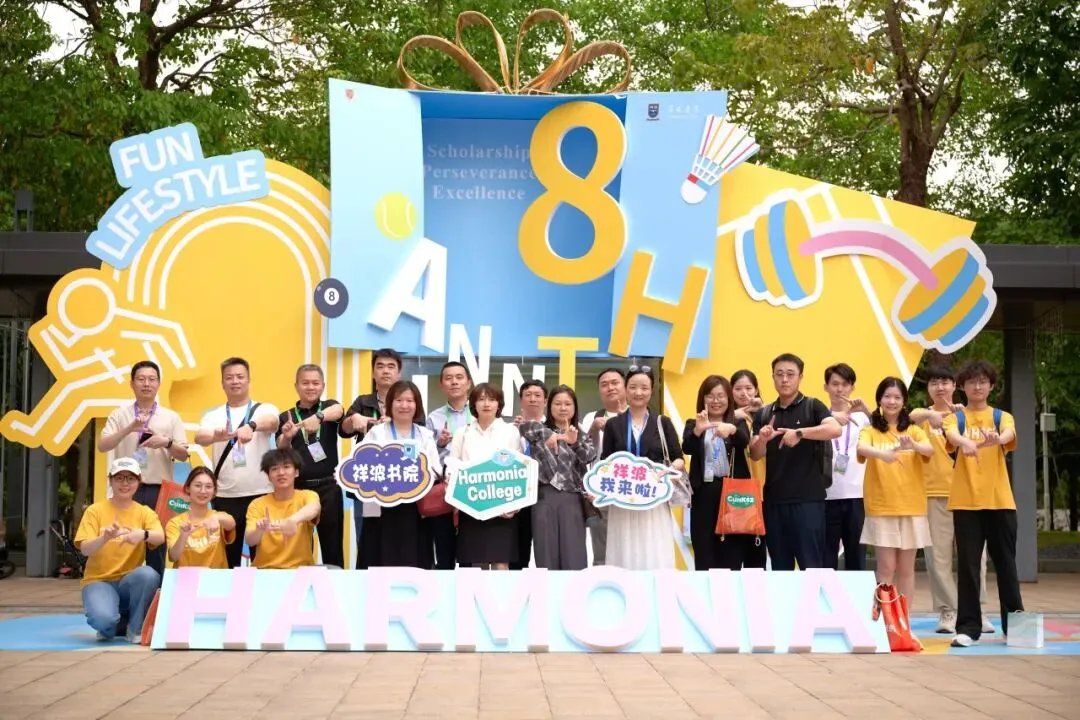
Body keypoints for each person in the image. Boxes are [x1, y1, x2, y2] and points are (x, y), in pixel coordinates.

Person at [943, 359, 1025, 647]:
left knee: (1006, 565)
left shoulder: (1002, 417)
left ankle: (1015, 628)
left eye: (982, 381)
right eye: (971, 382)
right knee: (967, 567)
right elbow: (950, 435)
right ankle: (968, 628)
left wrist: (997, 439)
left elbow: (1009, 435)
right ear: (962, 387)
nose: (977, 386)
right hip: (966, 503)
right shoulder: (956, 418)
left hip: (1000, 500)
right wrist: (965, 442)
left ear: (991, 386)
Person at [911, 365, 994, 635]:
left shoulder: (966, 415)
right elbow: (908, 417)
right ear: (928, 388)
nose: (940, 387)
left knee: (975, 557)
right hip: (933, 494)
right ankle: (949, 610)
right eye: (934, 382)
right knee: (938, 558)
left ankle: (977, 610)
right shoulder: (922, 417)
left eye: (945, 382)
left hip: (969, 495)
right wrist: (933, 414)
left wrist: (959, 416)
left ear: (954, 386)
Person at [751, 353, 842, 570]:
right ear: (773, 377)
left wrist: (800, 433)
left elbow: (835, 429)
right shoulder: (764, 413)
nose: (784, 379)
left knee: (811, 567)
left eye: (790, 374)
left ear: (800, 377)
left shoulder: (812, 405)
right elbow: (754, 454)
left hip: (808, 502)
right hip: (774, 502)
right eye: (779, 374)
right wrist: (762, 439)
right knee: (780, 568)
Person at [97, 360, 189, 574]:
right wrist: (129, 428)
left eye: (151, 379)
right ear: (132, 384)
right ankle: (126, 588)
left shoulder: (171, 417)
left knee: (157, 544)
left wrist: (166, 442)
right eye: (141, 379)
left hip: (159, 490)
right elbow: (103, 445)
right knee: (125, 541)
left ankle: (157, 590)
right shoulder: (120, 415)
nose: (146, 384)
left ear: (158, 384)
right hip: (127, 489)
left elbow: (183, 455)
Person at [194, 357, 280, 568]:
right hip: (226, 496)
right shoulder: (214, 415)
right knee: (227, 558)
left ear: (248, 380)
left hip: (261, 494)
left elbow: (273, 422)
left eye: (240, 377)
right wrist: (216, 436)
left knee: (263, 557)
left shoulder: (263, 408)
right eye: (229, 378)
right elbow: (199, 437)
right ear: (222, 383)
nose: (235, 381)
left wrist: (251, 426)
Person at [600, 365, 685, 570]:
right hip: (622, 499)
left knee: (653, 549)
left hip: (653, 498)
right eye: (633, 387)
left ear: (652, 390)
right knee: (624, 551)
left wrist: (668, 470)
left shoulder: (662, 423)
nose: (638, 392)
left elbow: (678, 458)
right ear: (625, 389)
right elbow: (606, 461)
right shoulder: (613, 425)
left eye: (644, 388)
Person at [856, 377, 933, 601]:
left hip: (912, 507)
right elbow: (862, 448)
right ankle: (886, 617)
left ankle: (904, 619)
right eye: (887, 396)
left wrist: (913, 445)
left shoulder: (914, 430)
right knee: (886, 568)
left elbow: (929, 450)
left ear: (904, 401)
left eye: (897, 397)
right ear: (879, 400)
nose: (892, 401)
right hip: (882, 507)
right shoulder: (870, 430)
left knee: (906, 569)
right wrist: (883, 454)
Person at [74, 458, 163, 643]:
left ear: (139, 481)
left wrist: (143, 534)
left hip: (128, 581)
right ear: (110, 480)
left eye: (130, 478)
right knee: (104, 619)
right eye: (119, 478)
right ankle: (110, 627)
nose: (125, 483)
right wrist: (104, 538)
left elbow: (160, 537)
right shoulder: (94, 511)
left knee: (148, 574)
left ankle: (135, 629)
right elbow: (85, 549)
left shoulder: (144, 512)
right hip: (99, 581)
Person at [359, 380, 442, 568]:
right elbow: (363, 464)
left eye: (410, 401)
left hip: (416, 507)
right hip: (381, 505)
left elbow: (436, 469)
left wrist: (418, 474)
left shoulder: (424, 435)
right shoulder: (377, 433)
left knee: (414, 557)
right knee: (378, 556)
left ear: (417, 405)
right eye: (399, 400)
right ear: (390, 403)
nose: (404, 405)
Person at [517, 384, 595, 570]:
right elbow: (525, 427)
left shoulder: (582, 435)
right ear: (549, 406)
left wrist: (573, 442)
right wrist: (555, 435)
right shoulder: (539, 430)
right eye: (557, 403)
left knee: (573, 554)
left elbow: (589, 456)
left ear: (575, 407)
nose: (563, 408)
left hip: (572, 498)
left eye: (568, 404)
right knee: (546, 553)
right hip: (544, 497)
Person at [277, 364, 346, 568]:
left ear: (323, 385)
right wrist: (287, 436)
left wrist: (318, 417)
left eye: (315, 383)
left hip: (329, 486)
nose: (310, 387)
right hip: (299, 488)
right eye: (305, 383)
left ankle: (335, 582)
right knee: (299, 547)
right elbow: (281, 447)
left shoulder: (328, 407)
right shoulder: (287, 416)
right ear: (296, 386)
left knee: (333, 545)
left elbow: (339, 410)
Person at [449, 383, 524, 570]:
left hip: (502, 507)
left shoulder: (510, 431)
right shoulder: (462, 433)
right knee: (477, 565)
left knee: (501, 563)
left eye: (492, 399)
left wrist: (513, 506)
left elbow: (519, 470)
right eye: (481, 399)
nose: (486, 404)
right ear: (473, 404)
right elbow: (452, 467)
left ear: (499, 404)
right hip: (472, 505)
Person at [341, 348, 401, 569]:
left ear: (398, 372)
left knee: (397, 535)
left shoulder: (406, 400)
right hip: (369, 484)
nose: (385, 371)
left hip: (400, 482)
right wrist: (354, 419)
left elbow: (420, 431)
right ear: (373, 372)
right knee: (368, 534)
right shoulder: (363, 401)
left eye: (391, 366)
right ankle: (367, 577)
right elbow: (344, 430)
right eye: (380, 366)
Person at [681, 375, 743, 570]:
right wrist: (698, 431)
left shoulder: (736, 423)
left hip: (732, 493)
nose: (716, 401)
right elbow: (687, 448)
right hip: (703, 492)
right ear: (703, 399)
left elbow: (744, 442)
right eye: (710, 396)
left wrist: (732, 429)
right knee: (704, 547)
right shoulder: (693, 423)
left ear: (729, 399)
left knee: (731, 548)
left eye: (721, 396)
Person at [822, 363, 871, 571]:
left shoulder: (863, 418)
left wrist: (867, 409)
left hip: (856, 496)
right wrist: (832, 417)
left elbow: (887, 430)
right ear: (826, 387)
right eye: (835, 384)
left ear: (852, 387)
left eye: (845, 384)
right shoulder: (819, 416)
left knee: (856, 557)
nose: (839, 389)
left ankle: (856, 593)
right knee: (826, 557)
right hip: (826, 496)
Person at [425, 361, 472, 569]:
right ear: (442, 385)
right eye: (449, 378)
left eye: (459, 377)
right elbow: (426, 456)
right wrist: (439, 443)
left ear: (468, 383)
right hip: (444, 487)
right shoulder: (433, 418)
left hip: (473, 485)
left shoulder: (480, 413)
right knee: (444, 550)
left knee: (471, 551)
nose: (454, 382)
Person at [579, 368, 627, 566]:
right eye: (604, 384)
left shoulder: (640, 415)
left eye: (615, 383)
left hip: (631, 489)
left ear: (625, 386)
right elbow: (583, 454)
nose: (610, 388)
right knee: (602, 551)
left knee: (630, 546)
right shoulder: (592, 417)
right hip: (601, 491)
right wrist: (593, 429)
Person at [244, 448, 322, 569]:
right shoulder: (257, 504)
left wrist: (292, 521)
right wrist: (259, 530)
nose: (281, 473)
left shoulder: (307, 496)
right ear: (268, 476)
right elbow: (250, 540)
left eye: (286, 467)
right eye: (274, 469)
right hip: (265, 570)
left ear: (296, 472)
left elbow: (314, 508)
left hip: (300, 571)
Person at [165, 467, 235, 569]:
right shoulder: (175, 523)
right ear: (188, 488)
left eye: (208, 486)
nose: (203, 491)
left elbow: (231, 523)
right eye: (198, 485)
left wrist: (215, 517)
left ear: (214, 491)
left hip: (216, 577)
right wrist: (183, 536)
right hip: (186, 577)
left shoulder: (220, 517)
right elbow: (173, 556)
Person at [510, 380, 547, 570]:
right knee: (518, 552)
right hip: (518, 495)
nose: (533, 399)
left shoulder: (553, 429)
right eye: (528, 395)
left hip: (545, 495)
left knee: (547, 550)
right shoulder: (510, 430)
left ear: (545, 401)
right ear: (521, 400)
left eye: (538, 395)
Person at [730, 370, 766, 486]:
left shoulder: (766, 413)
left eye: (748, 388)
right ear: (730, 391)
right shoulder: (727, 417)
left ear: (756, 391)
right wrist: (732, 416)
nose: (743, 393)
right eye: (738, 389)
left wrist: (763, 410)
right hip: (739, 479)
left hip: (766, 476)